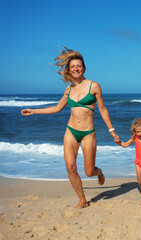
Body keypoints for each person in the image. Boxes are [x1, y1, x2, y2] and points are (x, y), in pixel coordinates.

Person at [21, 47, 119, 209]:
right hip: (71, 131)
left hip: (88, 133)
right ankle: (82, 200)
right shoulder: (69, 89)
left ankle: (99, 172)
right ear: (69, 70)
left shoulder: (94, 86)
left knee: (89, 171)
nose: (76, 68)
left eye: (79, 66)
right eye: (73, 66)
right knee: (70, 168)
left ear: (84, 68)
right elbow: (58, 108)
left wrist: (112, 130)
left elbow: (102, 109)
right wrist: (34, 111)